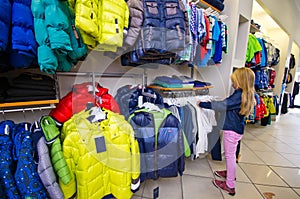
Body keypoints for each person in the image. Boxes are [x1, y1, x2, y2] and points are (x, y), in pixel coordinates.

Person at [198, 67, 255, 196]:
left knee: (230, 156)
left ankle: (230, 185)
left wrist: (203, 104)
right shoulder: (245, 94)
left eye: (234, 81)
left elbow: (222, 105)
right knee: (231, 155)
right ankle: (230, 174)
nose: (233, 84)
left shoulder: (238, 95)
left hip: (231, 131)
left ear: (240, 82)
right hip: (237, 130)